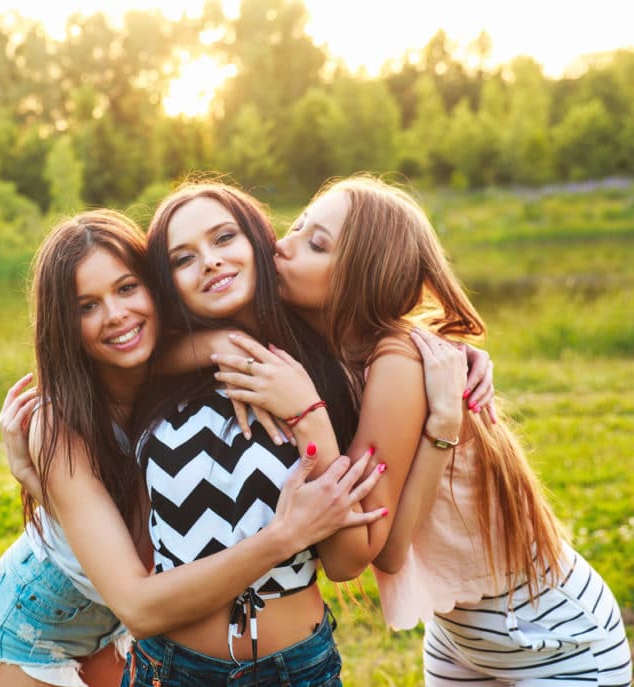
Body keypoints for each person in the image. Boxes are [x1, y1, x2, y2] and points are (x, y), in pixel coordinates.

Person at [229, 174, 631, 685]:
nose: (281, 247)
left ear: (360, 279)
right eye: (297, 227)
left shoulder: (396, 362)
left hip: (554, 638)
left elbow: (389, 552)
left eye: (316, 243)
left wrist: (442, 429)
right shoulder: (340, 357)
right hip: (460, 637)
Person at [0, 209, 386, 687]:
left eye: (126, 288)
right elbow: (140, 606)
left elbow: (276, 337)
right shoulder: (59, 422)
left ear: (153, 286)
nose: (116, 315)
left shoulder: (171, 357)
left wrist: (430, 346)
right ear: (63, 325)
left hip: (129, 623)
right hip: (41, 629)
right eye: (86, 306)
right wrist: (284, 536)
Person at [123, 181, 435, 687]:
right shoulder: (152, 364)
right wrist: (220, 344)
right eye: (183, 258)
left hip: (294, 669)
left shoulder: (330, 365)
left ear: (256, 240)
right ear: (166, 280)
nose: (209, 262)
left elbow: (347, 560)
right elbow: (81, 369)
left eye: (224, 238)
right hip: (170, 668)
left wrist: (309, 414)